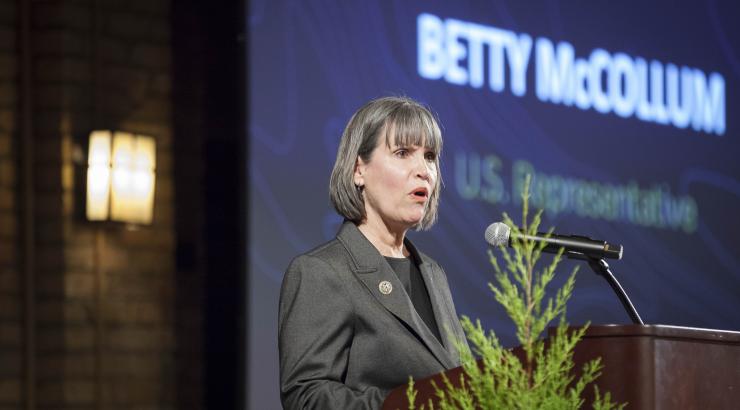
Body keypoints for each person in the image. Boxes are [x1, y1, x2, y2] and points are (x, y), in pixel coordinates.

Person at [278, 96, 468, 409]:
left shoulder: (433, 273)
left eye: (430, 156)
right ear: (358, 170)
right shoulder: (322, 271)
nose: (424, 170)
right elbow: (306, 396)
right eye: (403, 153)